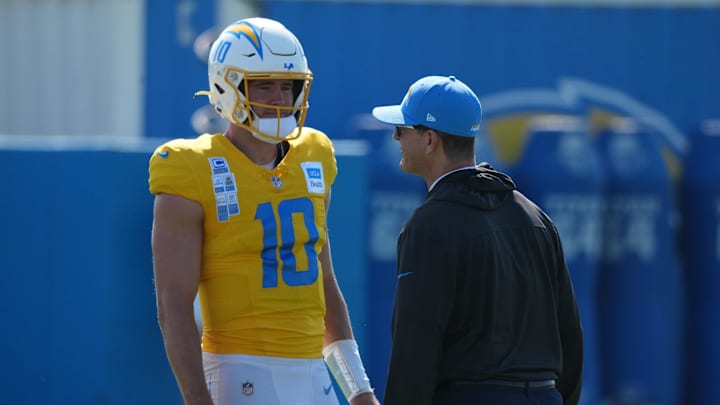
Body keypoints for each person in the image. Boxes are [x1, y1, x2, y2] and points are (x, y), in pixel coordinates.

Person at [149, 17, 379, 405]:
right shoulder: (190, 167)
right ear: (227, 85)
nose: (278, 97)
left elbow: (323, 281)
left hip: (314, 376)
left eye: (287, 86)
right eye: (264, 85)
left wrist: (358, 390)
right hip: (240, 373)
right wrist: (196, 399)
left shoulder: (315, 155)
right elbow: (173, 305)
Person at [369, 75, 584, 405]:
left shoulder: (429, 226)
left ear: (429, 140)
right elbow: (570, 337)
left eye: (404, 127)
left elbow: (416, 348)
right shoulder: (536, 219)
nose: (396, 134)